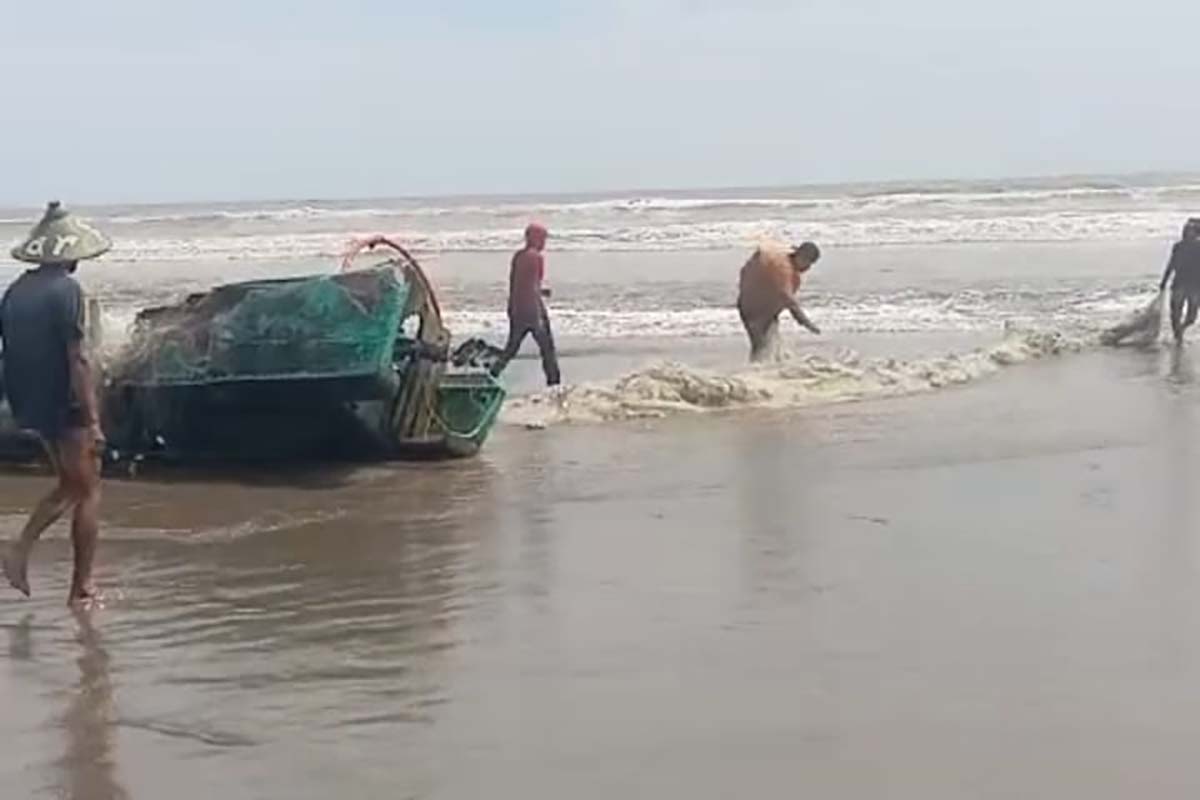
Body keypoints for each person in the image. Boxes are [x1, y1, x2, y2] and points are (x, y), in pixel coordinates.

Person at [0, 201, 110, 606]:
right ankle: (76, 583)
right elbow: (76, 356)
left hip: (32, 401)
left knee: (74, 485)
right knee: (86, 488)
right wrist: (94, 417)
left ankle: (44, 563)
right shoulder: (67, 290)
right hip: (65, 402)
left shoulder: (15, 291)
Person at [490, 222, 561, 386]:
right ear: (536, 239)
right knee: (547, 349)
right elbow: (531, 287)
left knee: (511, 348)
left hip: (516, 307)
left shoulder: (519, 256)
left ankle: (493, 373)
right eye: (543, 238)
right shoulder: (536, 258)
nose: (544, 243)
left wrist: (541, 292)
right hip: (531, 309)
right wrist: (537, 314)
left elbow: (520, 284)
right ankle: (554, 384)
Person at [736, 241, 822, 362]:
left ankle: (770, 366)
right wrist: (806, 323)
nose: (808, 268)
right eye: (808, 263)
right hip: (754, 311)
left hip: (761, 307)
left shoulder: (782, 255)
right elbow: (788, 299)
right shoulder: (783, 269)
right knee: (761, 345)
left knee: (772, 341)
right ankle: (756, 372)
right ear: (801, 257)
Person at [1160, 218, 1200, 344]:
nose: (1189, 233)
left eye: (1192, 231)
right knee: (1175, 311)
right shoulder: (1178, 246)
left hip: (1195, 284)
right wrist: (1164, 280)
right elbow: (1171, 263)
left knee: (1192, 316)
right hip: (1179, 282)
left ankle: (1181, 330)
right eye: (1187, 230)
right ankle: (1178, 336)